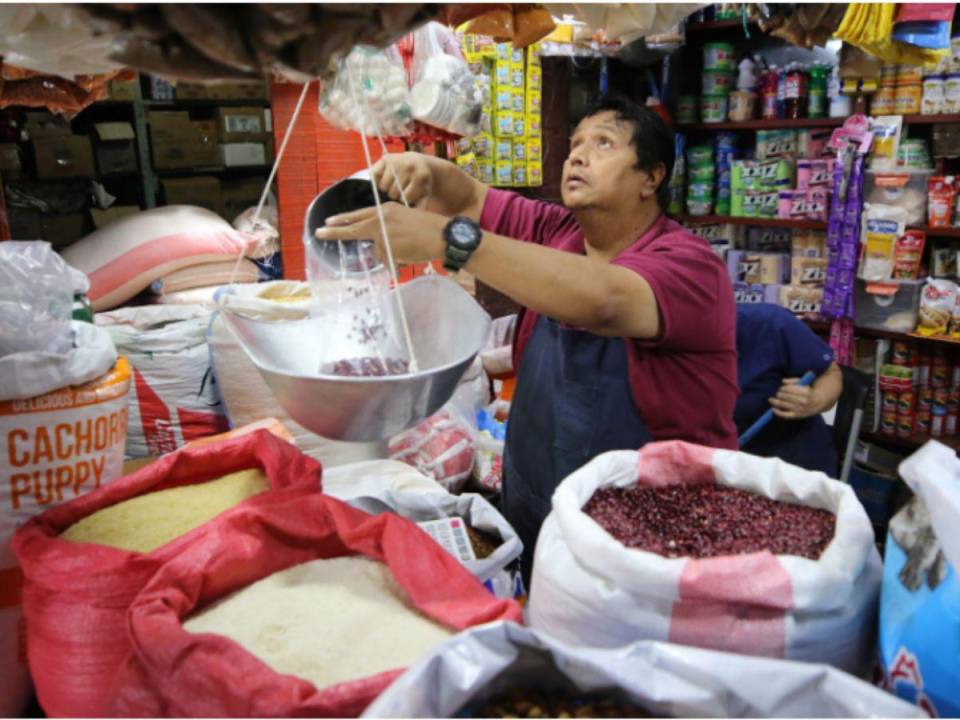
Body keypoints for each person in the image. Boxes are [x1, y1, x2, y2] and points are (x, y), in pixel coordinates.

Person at [315, 95, 739, 576]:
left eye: (603, 144)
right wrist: (426, 171)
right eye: (575, 143)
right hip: (540, 504)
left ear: (651, 176)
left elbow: (606, 301)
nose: (577, 155)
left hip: (653, 536)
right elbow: (468, 198)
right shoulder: (556, 230)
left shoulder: (691, 265)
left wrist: (447, 241)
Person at [734, 303, 843, 476]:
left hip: (791, 464)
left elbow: (830, 373)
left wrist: (816, 399)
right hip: (722, 461)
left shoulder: (769, 322)